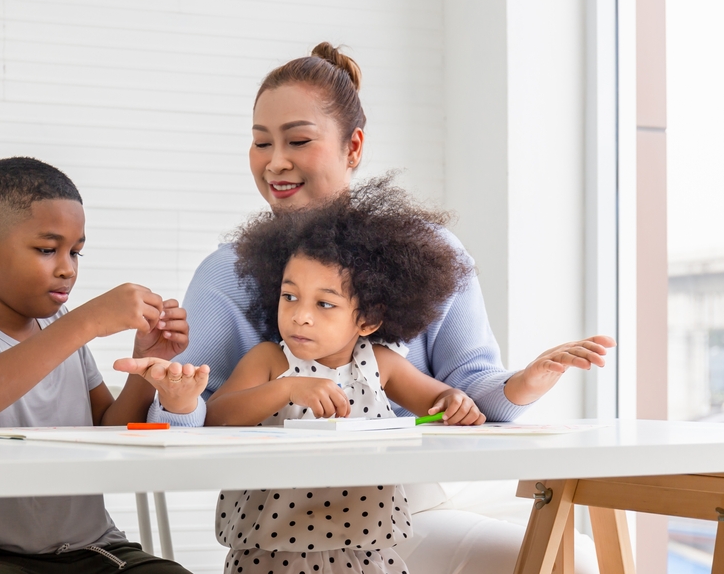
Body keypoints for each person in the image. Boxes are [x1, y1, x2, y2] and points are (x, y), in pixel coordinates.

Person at [131, 44, 613, 573]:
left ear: (353, 146)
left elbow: (469, 397)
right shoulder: (226, 273)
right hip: (304, 519)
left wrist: (525, 382)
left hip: (420, 491)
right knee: (572, 561)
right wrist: (180, 400)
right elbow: (192, 421)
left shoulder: (428, 254)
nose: (275, 162)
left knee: (576, 552)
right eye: (261, 142)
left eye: (298, 140)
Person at [0, 157, 207, 574]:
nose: (67, 268)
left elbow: (107, 427)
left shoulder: (62, 331)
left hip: (96, 550)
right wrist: (87, 321)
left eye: (75, 252)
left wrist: (146, 362)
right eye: (48, 250)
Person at [206, 176, 485, 574]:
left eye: (324, 304)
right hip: (273, 552)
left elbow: (438, 403)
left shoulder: (381, 364)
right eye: (290, 296)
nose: (300, 315)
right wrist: (286, 389)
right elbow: (216, 417)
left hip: (365, 551)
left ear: (367, 319)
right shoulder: (270, 361)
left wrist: (455, 402)